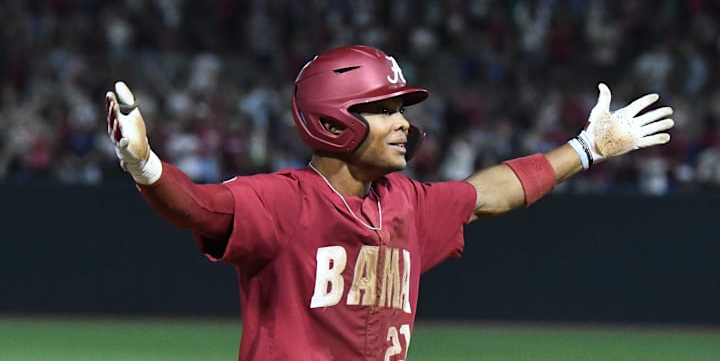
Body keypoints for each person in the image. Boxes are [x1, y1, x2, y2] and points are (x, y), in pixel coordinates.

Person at [105, 44, 674, 360]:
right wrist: (146, 166)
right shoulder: (285, 201)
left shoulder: (406, 202)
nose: (402, 123)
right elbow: (199, 209)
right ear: (332, 122)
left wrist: (587, 148)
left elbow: (488, 194)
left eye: (400, 109)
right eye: (382, 110)